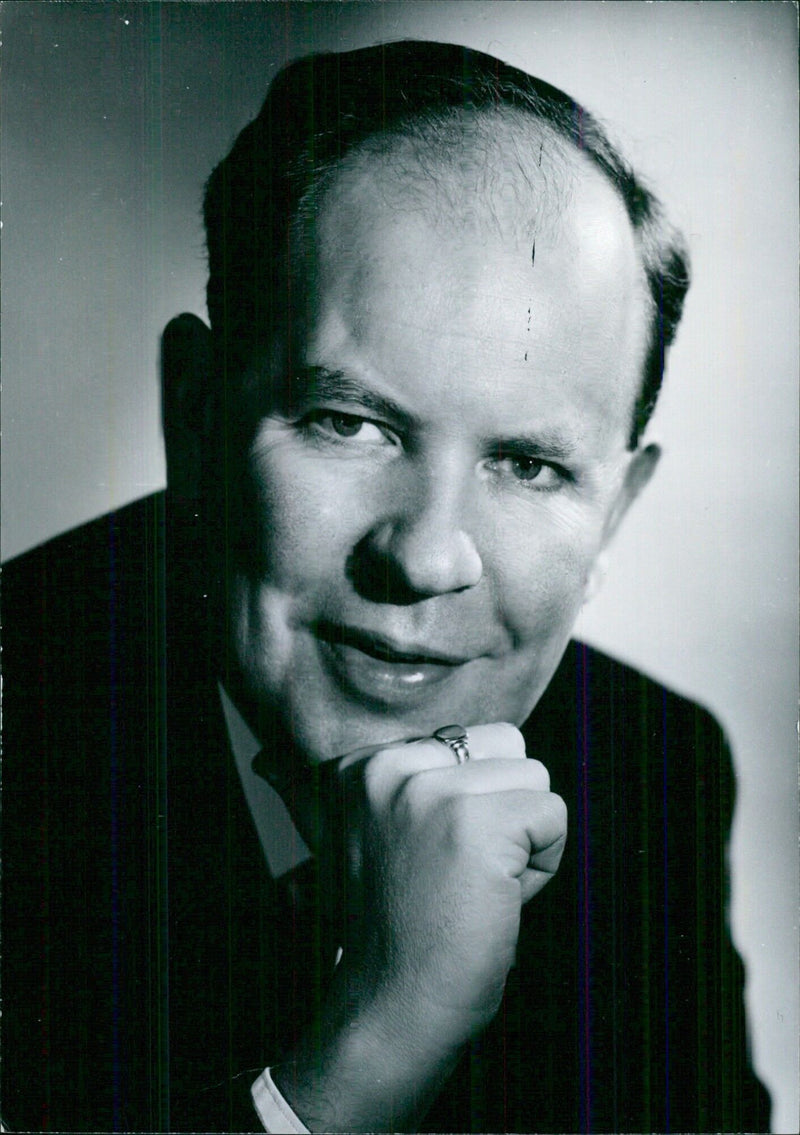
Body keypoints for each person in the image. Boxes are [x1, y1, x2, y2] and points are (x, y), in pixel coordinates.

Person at [1, 40, 770, 1133]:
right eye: (348, 424)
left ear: (612, 514)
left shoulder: (652, 770)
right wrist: (372, 1044)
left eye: (529, 464)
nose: (425, 556)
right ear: (197, 417)